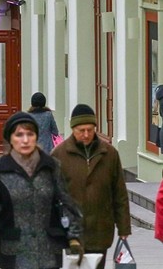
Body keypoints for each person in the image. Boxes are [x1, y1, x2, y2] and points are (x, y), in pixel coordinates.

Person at [0, 112, 83, 268]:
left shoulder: (51, 166)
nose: (25, 140)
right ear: (11, 139)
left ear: (36, 137)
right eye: (19, 135)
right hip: (12, 250)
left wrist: (74, 236)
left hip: (47, 250)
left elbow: (66, 202)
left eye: (30, 134)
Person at [52, 104, 131, 269]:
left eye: (90, 129)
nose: (86, 134)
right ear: (73, 129)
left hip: (101, 228)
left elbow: (119, 193)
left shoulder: (109, 154)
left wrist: (124, 227)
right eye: (81, 130)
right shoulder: (59, 155)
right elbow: (51, 194)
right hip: (71, 230)